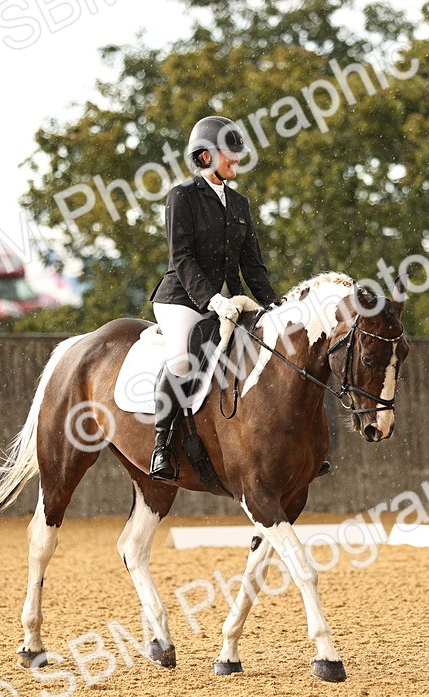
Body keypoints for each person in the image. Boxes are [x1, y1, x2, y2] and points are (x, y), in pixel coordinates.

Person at [147, 115, 281, 481]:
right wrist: (211, 300)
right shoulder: (183, 197)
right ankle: (161, 446)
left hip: (231, 301)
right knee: (180, 362)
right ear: (205, 156)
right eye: (230, 153)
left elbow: (253, 265)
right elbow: (182, 258)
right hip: (182, 299)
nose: (236, 159)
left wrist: (275, 305)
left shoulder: (240, 204)